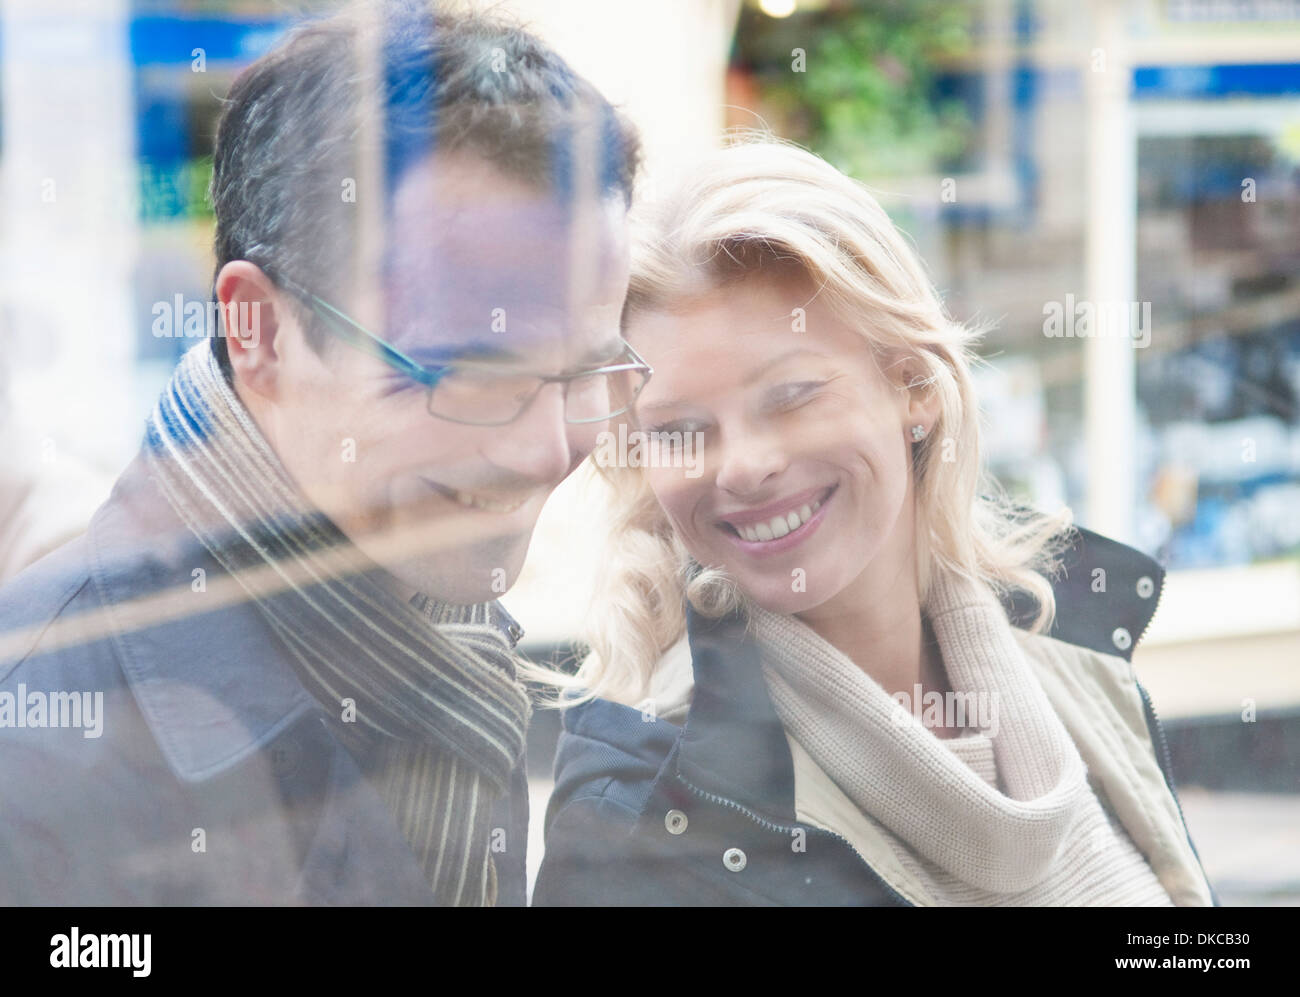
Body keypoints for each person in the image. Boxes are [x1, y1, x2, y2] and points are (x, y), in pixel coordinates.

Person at [0, 0, 643, 905]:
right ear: (257, 328)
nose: (543, 450)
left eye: (586, 373)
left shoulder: (440, 645)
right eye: (473, 373)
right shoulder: (33, 760)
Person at [533, 139, 1218, 907]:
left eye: (791, 396)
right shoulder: (638, 821)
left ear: (913, 385)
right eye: (679, 430)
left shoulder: (1074, 657)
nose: (742, 467)